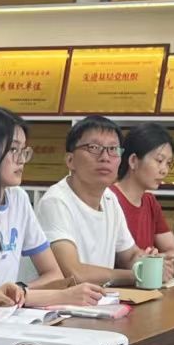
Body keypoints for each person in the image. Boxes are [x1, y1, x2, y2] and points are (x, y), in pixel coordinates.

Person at [0, 105, 103, 310]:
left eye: (24, 151)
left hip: (6, 315)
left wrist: (20, 291)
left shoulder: (19, 198)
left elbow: (53, 274)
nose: (21, 160)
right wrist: (61, 296)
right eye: (13, 150)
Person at [35, 116, 146, 286]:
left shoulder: (109, 198)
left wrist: (152, 264)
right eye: (94, 148)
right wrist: (136, 275)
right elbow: (73, 274)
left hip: (98, 299)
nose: (105, 157)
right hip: (59, 301)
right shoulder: (55, 201)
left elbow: (130, 255)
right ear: (70, 160)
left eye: (113, 149)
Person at [109, 122, 174, 277]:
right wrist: (158, 261)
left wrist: (160, 259)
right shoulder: (109, 199)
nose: (164, 170)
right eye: (159, 161)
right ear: (133, 161)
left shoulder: (150, 201)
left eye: (168, 163)